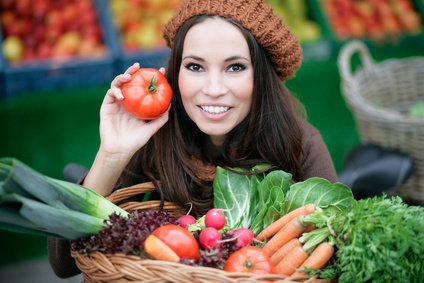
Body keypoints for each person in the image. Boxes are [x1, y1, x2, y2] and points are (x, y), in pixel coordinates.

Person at [48, 0, 337, 278]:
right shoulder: (151, 138)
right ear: (175, 71)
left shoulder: (300, 143)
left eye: (235, 67)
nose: (213, 88)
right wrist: (111, 155)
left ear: (260, 75)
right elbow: (64, 264)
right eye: (195, 67)